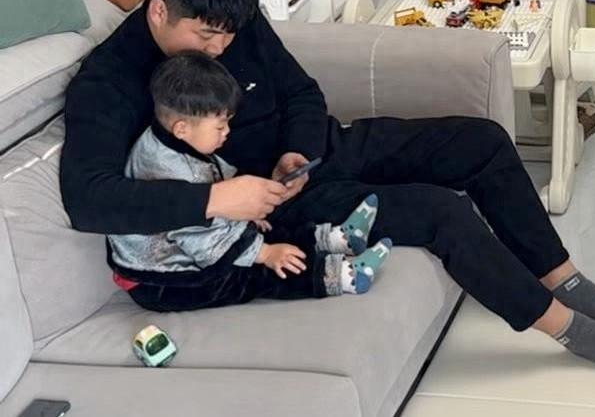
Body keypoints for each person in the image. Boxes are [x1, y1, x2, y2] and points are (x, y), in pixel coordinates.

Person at [60, 0, 595, 375]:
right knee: (441, 212)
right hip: (266, 210)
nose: (220, 47)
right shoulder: (109, 81)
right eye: (205, 35)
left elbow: (301, 92)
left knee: (481, 141)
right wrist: (220, 198)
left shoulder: (231, 23)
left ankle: (564, 279)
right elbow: (88, 200)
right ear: (159, 11)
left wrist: (297, 150)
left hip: (314, 158)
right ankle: (566, 329)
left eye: (228, 34)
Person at [109, 51, 391, 311]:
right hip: (164, 279)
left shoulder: (169, 138)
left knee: (264, 227)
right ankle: (344, 276)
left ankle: (338, 239)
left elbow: (214, 185)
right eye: (220, 126)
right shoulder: (169, 171)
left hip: (196, 236)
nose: (227, 132)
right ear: (182, 128)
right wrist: (265, 253)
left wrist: (244, 212)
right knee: (255, 273)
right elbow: (201, 241)